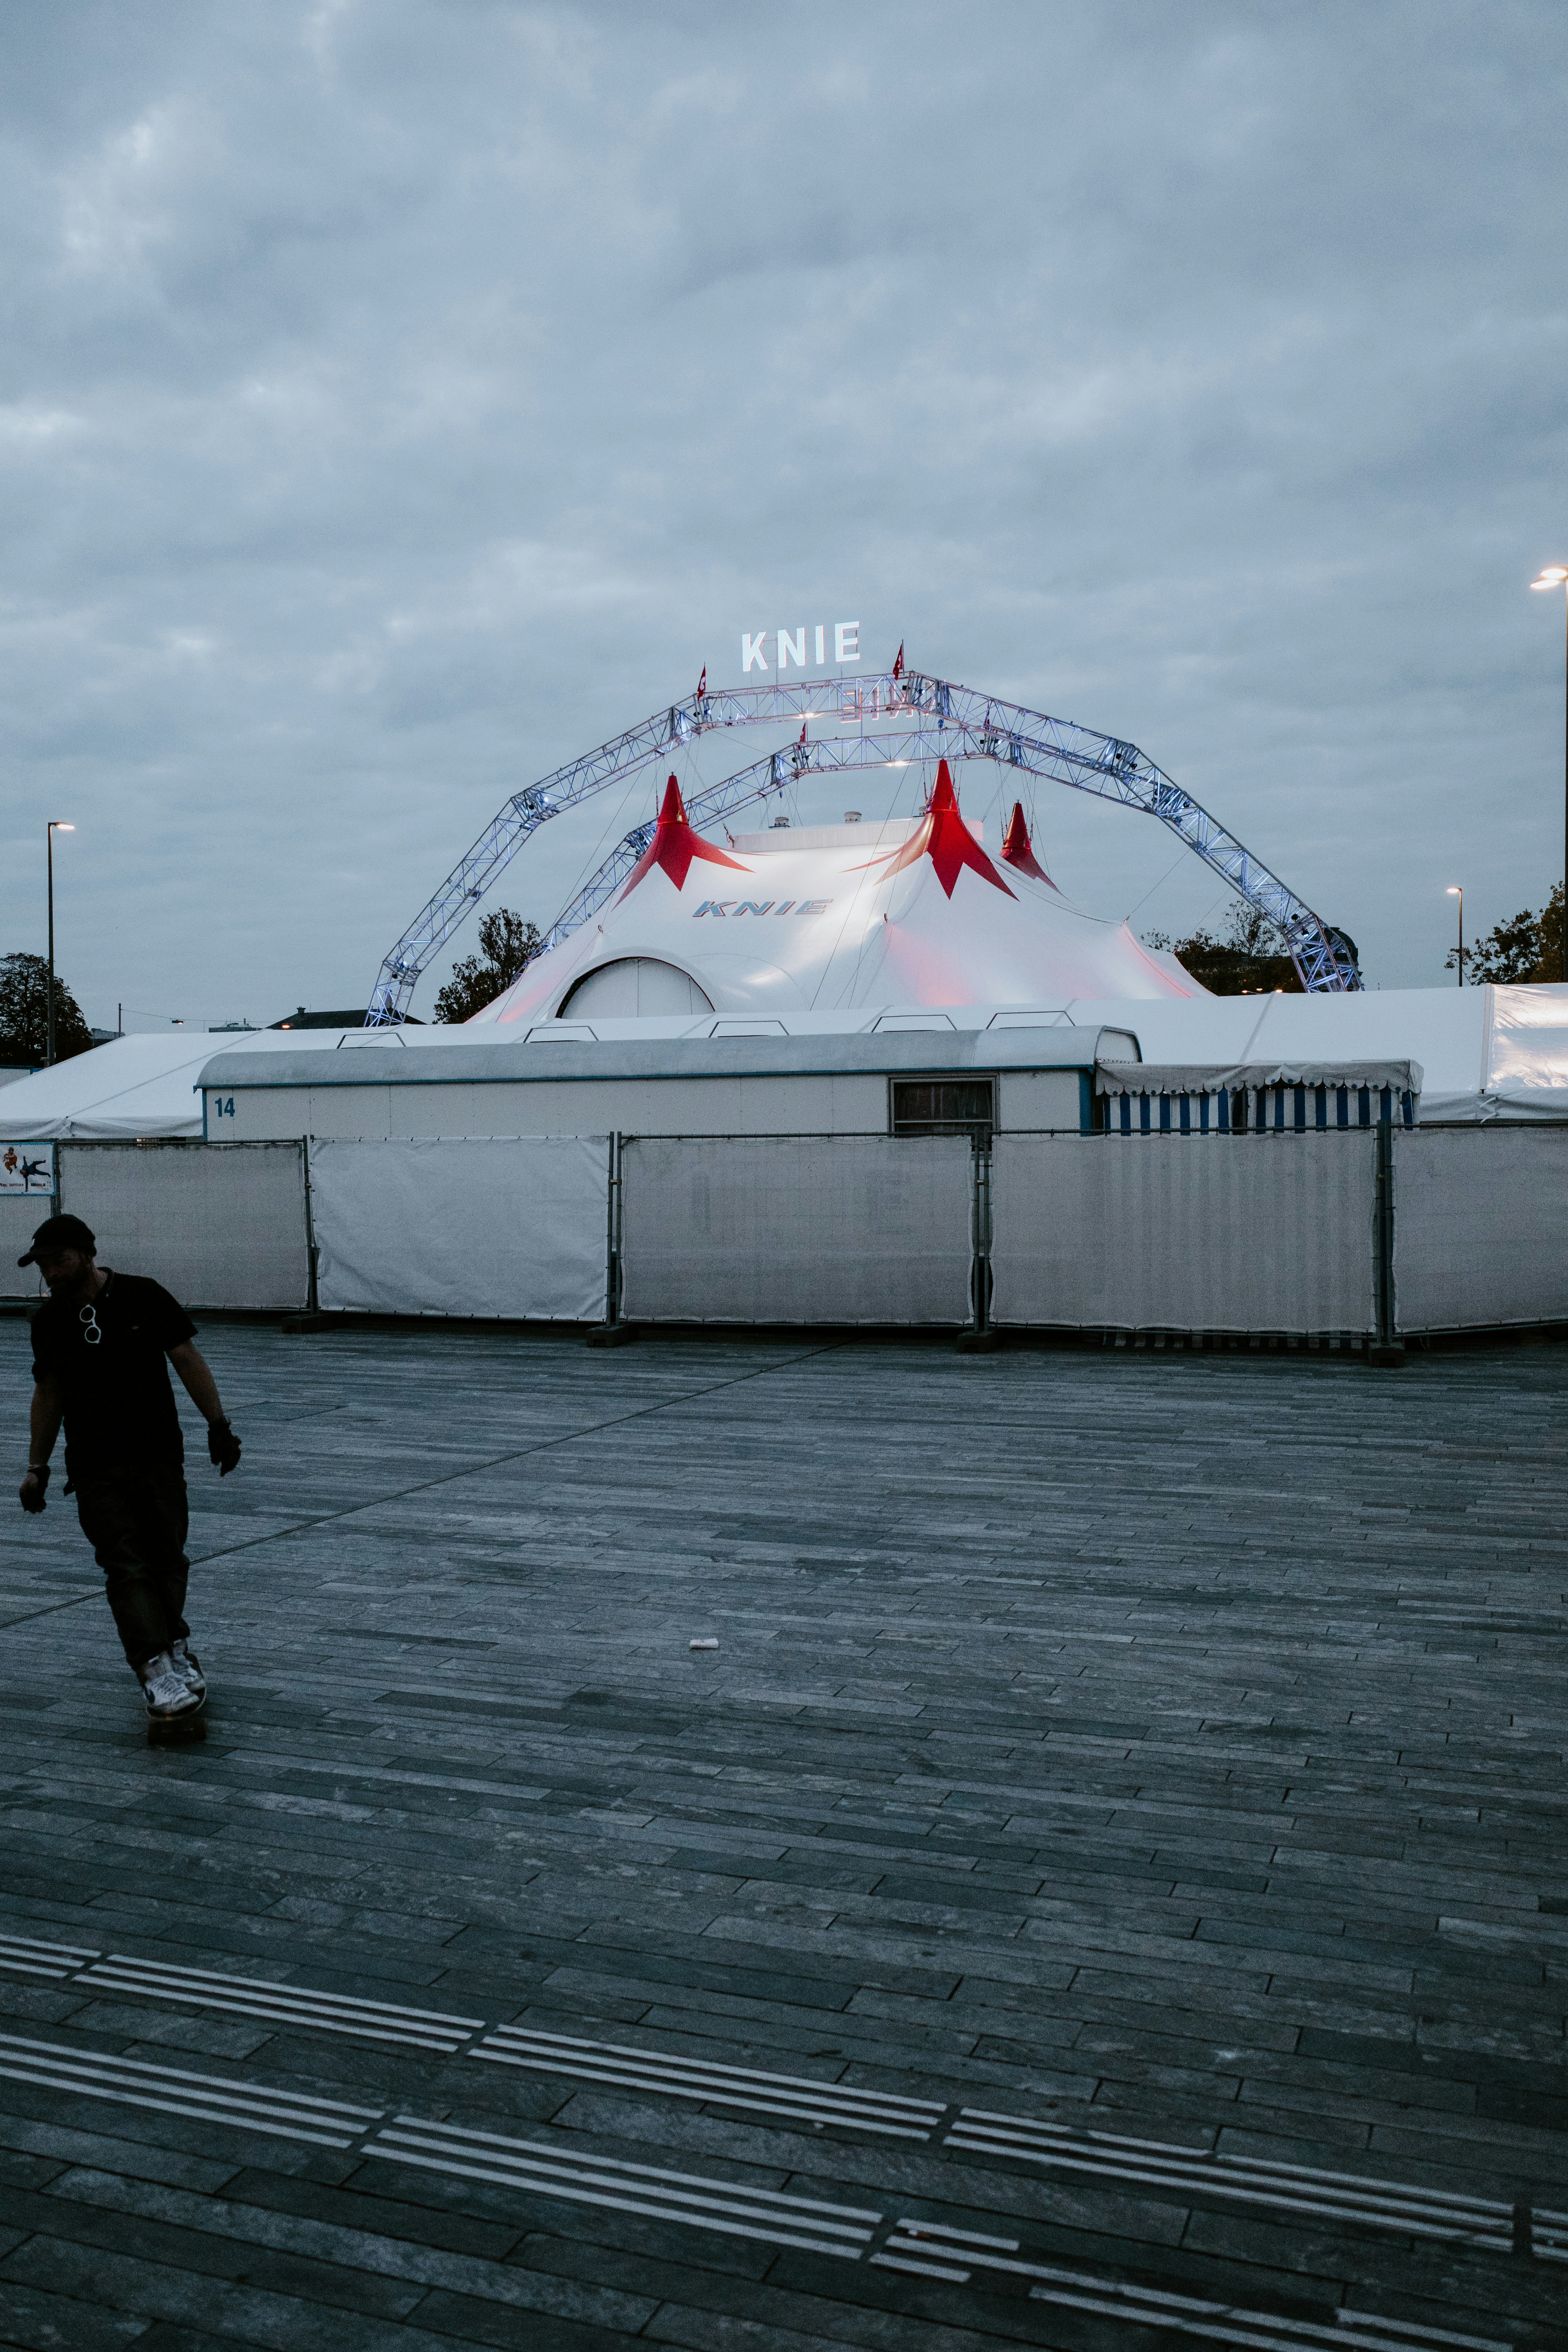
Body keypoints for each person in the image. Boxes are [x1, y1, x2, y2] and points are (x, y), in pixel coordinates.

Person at [16, 1213, 241, 1735]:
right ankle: (156, 1669)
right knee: (126, 1567)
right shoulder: (47, 1322)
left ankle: (176, 1646)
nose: (50, 1274)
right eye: (43, 1266)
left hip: (159, 1456)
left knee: (167, 1560)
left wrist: (219, 1427)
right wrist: (37, 1468)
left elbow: (186, 1358)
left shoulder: (144, 1296)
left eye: (58, 1262)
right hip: (94, 1466)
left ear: (86, 1254)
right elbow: (48, 1394)